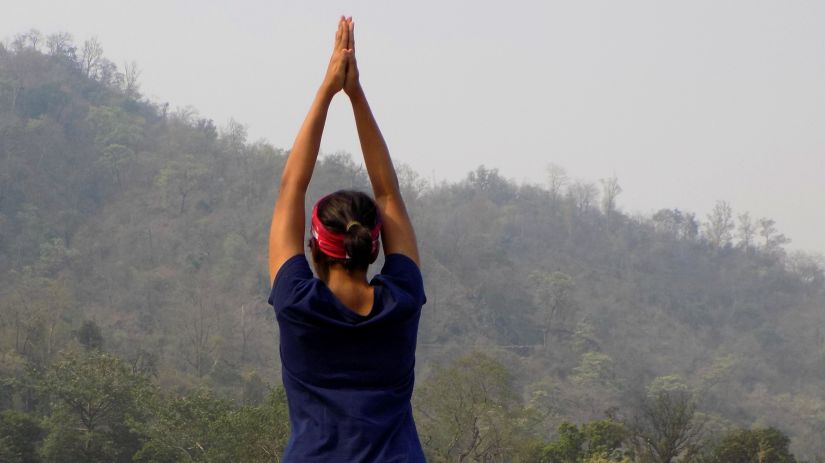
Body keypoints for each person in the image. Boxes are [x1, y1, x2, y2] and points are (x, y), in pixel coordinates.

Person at [267, 16, 426, 462]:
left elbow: (290, 188)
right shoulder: (401, 302)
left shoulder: (297, 304)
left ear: (313, 248)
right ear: (374, 247)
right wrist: (356, 94)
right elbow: (388, 193)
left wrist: (328, 87)